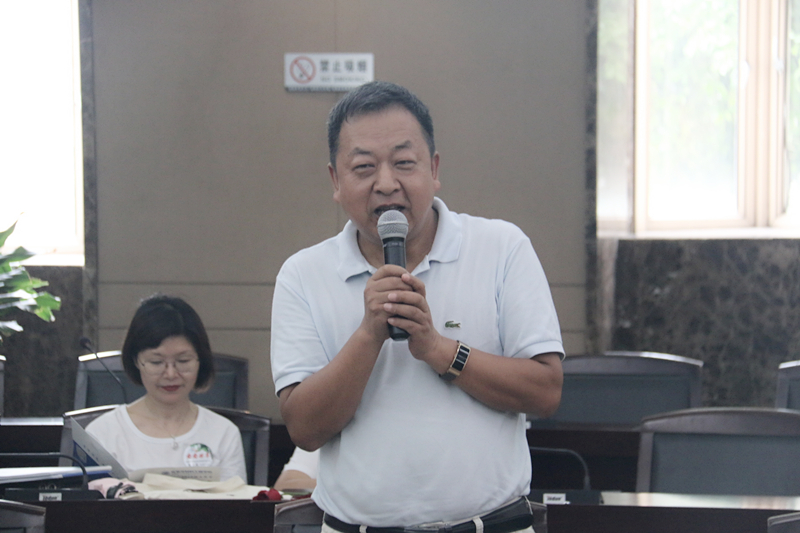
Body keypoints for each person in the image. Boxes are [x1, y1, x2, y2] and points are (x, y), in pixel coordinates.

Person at [270, 81, 564, 531]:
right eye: (364, 167)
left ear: (434, 168)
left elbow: (545, 392)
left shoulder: (502, 247)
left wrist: (439, 350)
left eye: (404, 163)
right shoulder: (302, 274)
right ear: (336, 181)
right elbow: (304, 429)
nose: (387, 183)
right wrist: (368, 334)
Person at [86, 294, 247, 482]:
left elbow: (236, 499)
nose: (170, 374)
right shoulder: (103, 433)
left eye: (183, 361)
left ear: (200, 360)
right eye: (156, 362)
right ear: (136, 361)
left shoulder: (224, 433)